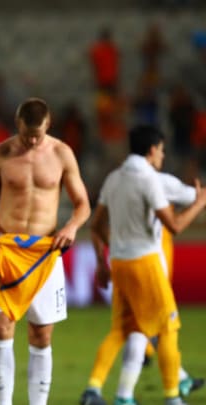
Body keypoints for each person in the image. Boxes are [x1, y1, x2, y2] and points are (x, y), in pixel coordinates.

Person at [0, 97, 91, 405]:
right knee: (2, 329)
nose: (31, 141)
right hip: (7, 250)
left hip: (45, 251)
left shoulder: (62, 153)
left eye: (36, 135)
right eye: (27, 134)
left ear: (48, 125)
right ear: (18, 123)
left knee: (41, 334)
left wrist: (71, 228)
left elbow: (83, 204)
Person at [82, 125, 206, 405]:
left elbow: (97, 223)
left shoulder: (113, 178)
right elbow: (173, 226)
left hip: (119, 262)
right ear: (152, 150)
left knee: (122, 330)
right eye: (161, 150)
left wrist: (105, 260)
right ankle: (173, 397)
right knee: (168, 328)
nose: (162, 155)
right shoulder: (150, 180)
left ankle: (99, 390)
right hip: (145, 263)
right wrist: (199, 203)